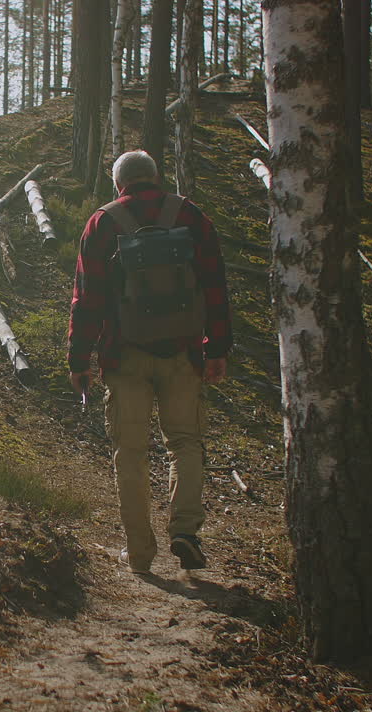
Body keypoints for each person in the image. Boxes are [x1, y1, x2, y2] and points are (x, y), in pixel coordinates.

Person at [67, 150, 232, 575]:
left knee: (130, 453)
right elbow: (215, 285)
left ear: (117, 183)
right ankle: (185, 532)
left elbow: (88, 298)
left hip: (125, 357)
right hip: (183, 352)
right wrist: (217, 349)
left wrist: (78, 358)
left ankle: (140, 553)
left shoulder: (103, 222)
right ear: (155, 178)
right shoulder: (190, 215)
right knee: (185, 442)